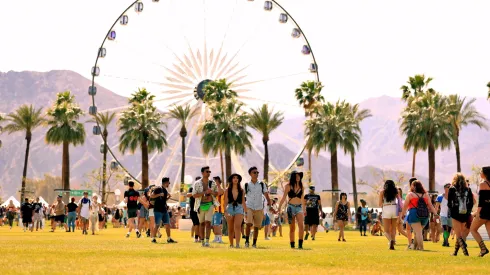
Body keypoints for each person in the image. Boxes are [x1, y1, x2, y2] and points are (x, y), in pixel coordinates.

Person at [401, 180, 439, 251]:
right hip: (425, 215)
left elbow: (405, 206)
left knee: (418, 232)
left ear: (413, 186)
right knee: (417, 232)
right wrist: (435, 214)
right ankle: (415, 248)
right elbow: (430, 205)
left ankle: (421, 248)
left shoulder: (410, 195)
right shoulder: (426, 194)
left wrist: (403, 214)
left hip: (414, 214)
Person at [192, 166, 222, 247]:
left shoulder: (212, 183)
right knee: (201, 224)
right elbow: (194, 195)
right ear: (202, 173)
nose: (208, 173)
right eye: (207, 171)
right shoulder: (197, 183)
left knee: (208, 223)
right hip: (200, 205)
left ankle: (207, 241)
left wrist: (211, 192)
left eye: (209, 172)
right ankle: (202, 241)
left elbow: (216, 193)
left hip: (210, 204)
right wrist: (204, 192)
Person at [244, 166, 272, 248]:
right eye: (254, 172)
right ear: (250, 174)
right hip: (249, 206)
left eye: (257, 172)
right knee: (248, 224)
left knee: (256, 227)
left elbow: (266, 194)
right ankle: (246, 241)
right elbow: (243, 197)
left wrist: (269, 203)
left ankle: (254, 243)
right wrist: (244, 208)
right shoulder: (246, 185)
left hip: (259, 207)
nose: (256, 174)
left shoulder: (262, 184)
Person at [448, 173, 474, 256]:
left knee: (458, 235)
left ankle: (465, 252)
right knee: (461, 234)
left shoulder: (452, 188)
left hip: (455, 213)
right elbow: (471, 203)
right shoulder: (468, 189)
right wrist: (468, 212)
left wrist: (451, 212)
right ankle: (455, 252)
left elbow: (449, 203)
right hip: (465, 213)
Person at [278, 171, 305, 249]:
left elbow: (302, 199)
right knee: (292, 228)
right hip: (290, 208)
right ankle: (292, 245)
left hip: (299, 207)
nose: (298, 177)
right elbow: (283, 198)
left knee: (301, 226)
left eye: (299, 176)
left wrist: (304, 209)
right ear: (293, 177)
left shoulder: (302, 187)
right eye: (296, 176)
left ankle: (300, 244)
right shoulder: (288, 186)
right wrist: (279, 207)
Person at [470, 166, 490, 257]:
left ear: (485, 174)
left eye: (481, 172)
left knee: (473, 229)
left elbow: (481, 201)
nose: (480, 173)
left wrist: (477, 213)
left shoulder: (483, 184)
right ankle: (483, 250)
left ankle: (483, 249)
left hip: (484, 211)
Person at [224, 173, 246, 248]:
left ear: (239, 180)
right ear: (231, 180)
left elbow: (243, 202)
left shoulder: (241, 190)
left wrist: (246, 212)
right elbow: (225, 202)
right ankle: (231, 244)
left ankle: (237, 244)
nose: (235, 179)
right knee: (230, 228)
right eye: (234, 178)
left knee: (237, 226)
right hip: (229, 208)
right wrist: (225, 211)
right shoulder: (227, 190)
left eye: (237, 178)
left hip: (239, 208)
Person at [379, 180, 398, 250]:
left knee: (386, 231)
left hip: (386, 207)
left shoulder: (382, 192)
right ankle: (393, 240)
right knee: (393, 228)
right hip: (394, 208)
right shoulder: (396, 192)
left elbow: (380, 204)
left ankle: (391, 240)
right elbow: (399, 201)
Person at [159, 178, 177, 243]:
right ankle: (153, 238)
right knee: (157, 224)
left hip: (164, 209)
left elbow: (163, 200)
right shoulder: (160, 189)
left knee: (167, 224)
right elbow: (159, 200)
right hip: (159, 209)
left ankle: (169, 238)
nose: (169, 184)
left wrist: (168, 197)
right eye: (169, 183)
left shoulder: (165, 190)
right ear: (166, 182)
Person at [212, 176, 225, 243]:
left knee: (217, 225)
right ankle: (216, 238)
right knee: (214, 225)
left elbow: (219, 193)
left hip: (219, 210)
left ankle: (220, 239)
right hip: (213, 210)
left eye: (215, 181)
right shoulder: (214, 190)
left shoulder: (221, 189)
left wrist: (218, 185)